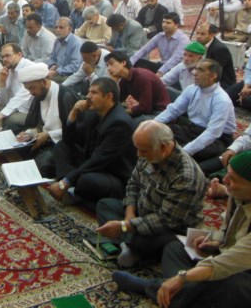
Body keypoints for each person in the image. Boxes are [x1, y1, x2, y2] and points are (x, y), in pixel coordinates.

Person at [111, 150, 251, 308]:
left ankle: (153, 288)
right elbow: (228, 230)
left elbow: (226, 263)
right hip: (232, 256)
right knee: (176, 248)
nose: (224, 180)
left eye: (232, 179)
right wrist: (215, 241)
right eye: (227, 174)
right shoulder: (238, 194)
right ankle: (187, 293)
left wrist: (182, 278)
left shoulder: (186, 173)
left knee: (229, 282)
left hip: (242, 271)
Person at [96, 121, 207, 268]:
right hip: (142, 215)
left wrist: (125, 226)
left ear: (163, 148)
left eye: (143, 151)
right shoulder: (149, 154)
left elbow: (165, 220)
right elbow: (133, 184)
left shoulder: (186, 176)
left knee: (143, 241)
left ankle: (130, 245)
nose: (138, 154)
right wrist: (129, 215)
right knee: (104, 205)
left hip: (171, 229)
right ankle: (129, 245)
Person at [47, 77, 137, 206]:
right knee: (61, 147)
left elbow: (98, 159)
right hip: (93, 164)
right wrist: (73, 113)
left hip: (113, 175)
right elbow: (69, 140)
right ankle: (68, 187)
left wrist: (67, 180)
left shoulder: (120, 123)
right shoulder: (93, 112)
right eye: (89, 92)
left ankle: (68, 186)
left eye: (94, 92)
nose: (88, 96)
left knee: (87, 180)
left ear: (109, 96)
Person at [155, 59, 236, 174]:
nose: (194, 73)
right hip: (194, 130)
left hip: (218, 139)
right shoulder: (191, 89)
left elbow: (212, 133)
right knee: (160, 134)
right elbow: (173, 110)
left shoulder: (221, 99)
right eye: (195, 69)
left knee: (176, 150)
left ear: (213, 76)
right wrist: (152, 125)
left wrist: (185, 150)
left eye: (200, 70)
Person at [16, 62, 79, 175]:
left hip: (63, 143)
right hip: (45, 139)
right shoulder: (39, 94)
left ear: (44, 82)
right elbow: (39, 125)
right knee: (16, 142)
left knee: (44, 163)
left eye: (32, 88)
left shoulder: (65, 97)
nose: (31, 93)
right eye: (28, 89)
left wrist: (49, 135)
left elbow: (75, 131)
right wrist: (30, 133)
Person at [105, 50, 170, 119]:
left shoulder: (142, 77)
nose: (108, 68)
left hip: (161, 112)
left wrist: (124, 112)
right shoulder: (124, 80)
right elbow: (117, 101)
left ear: (123, 62)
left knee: (127, 121)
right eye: (107, 65)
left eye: (111, 63)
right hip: (149, 111)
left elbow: (145, 108)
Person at [194, 23, 236, 88]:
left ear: (212, 34)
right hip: (203, 76)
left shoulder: (220, 49)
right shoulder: (198, 45)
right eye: (197, 33)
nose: (198, 36)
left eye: (202, 34)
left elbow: (215, 72)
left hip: (221, 83)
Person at [47, 17, 83, 83]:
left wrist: (57, 72)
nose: (57, 30)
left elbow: (75, 66)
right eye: (56, 27)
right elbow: (52, 57)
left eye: (61, 27)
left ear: (69, 29)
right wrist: (53, 65)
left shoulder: (76, 43)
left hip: (71, 75)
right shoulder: (57, 41)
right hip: (57, 72)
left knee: (44, 81)